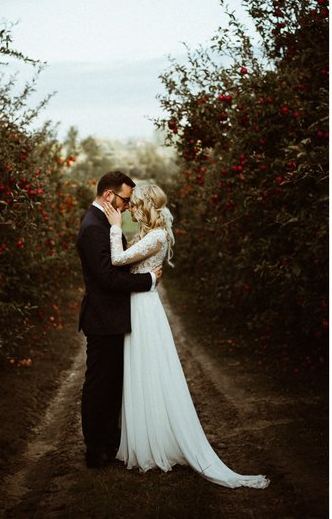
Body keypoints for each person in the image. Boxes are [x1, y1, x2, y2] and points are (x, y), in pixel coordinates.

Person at [100, 184, 269, 489]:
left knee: (150, 370)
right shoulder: (152, 234)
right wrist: (145, 275)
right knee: (142, 370)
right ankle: (147, 438)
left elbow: (117, 260)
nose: (131, 209)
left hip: (144, 309)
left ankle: (156, 442)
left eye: (135, 204)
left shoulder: (157, 236)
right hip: (140, 305)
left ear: (146, 206)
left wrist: (114, 228)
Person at [76, 170, 163, 469]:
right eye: (125, 200)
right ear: (109, 195)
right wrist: (147, 280)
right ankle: (95, 451)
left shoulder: (101, 222)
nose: (127, 207)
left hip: (112, 317)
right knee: (100, 385)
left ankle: (110, 443)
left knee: (112, 385)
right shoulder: (93, 227)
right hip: (103, 318)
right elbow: (108, 278)